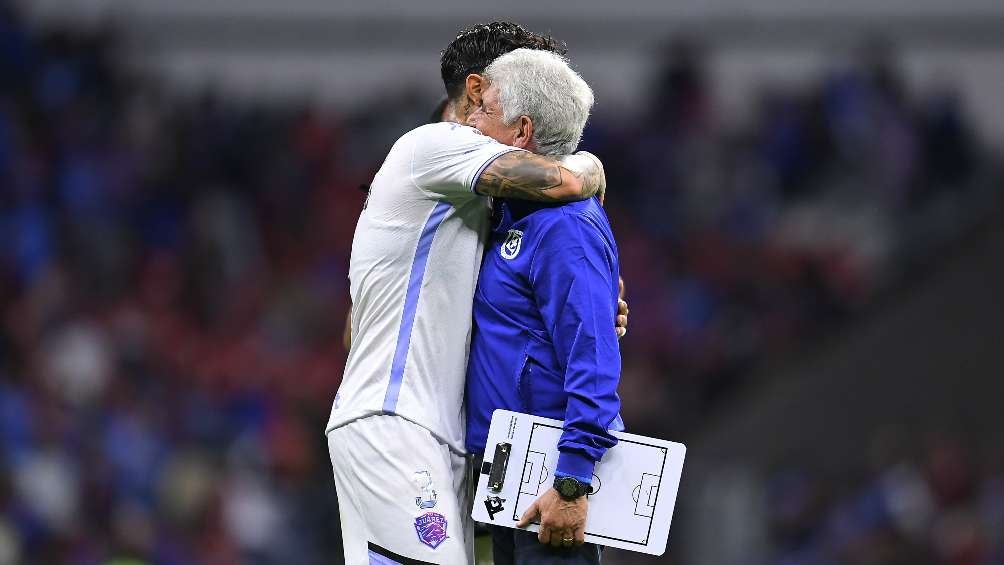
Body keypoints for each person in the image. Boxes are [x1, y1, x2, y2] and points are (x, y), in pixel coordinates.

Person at [326, 23, 615, 565]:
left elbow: (356, 328)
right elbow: (569, 182)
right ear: (479, 90)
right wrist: (591, 166)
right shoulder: (437, 144)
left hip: (441, 436)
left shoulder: (482, 204)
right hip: (397, 421)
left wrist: (589, 296)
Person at [464, 49, 622, 564]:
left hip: (550, 484)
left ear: (522, 130)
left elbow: (592, 356)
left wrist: (573, 482)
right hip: (507, 474)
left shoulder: (565, 226)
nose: (470, 120)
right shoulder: (510, 213)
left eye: (485, 108)